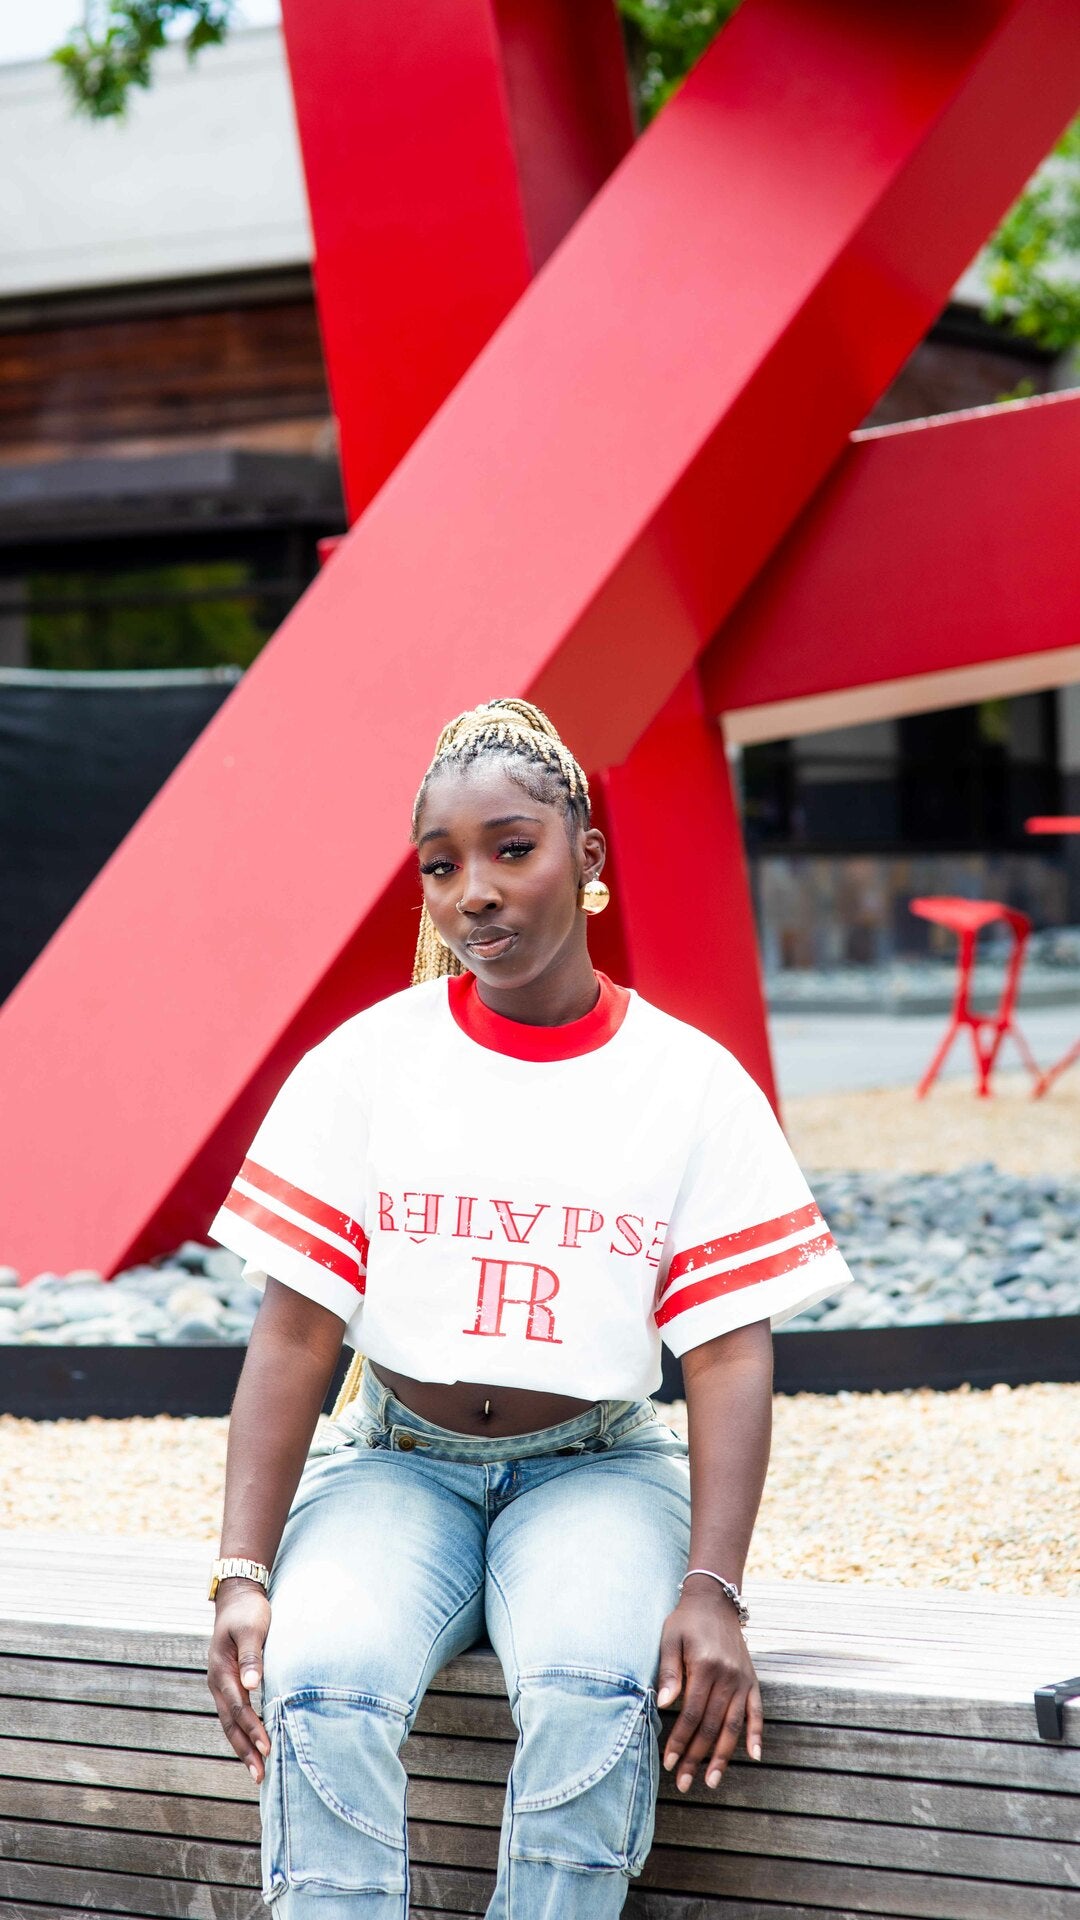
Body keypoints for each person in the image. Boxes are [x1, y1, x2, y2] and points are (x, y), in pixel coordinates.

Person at [205, 698, 851, 1920]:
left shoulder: (687, 1085)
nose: (476, 893)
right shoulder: (367, 1065)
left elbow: (725, 1357)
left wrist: (714, 1589)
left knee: (593, 1685)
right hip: (398, 1465)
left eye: (514, 849)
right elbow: (295, 1335)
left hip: (593, 1469)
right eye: (442, 867)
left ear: (589, 858)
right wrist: (241, 1570)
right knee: (322, 1679)